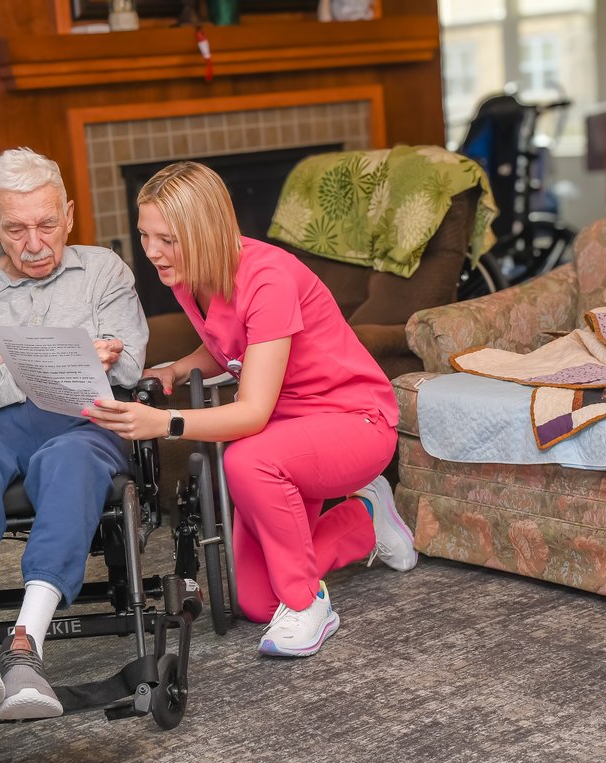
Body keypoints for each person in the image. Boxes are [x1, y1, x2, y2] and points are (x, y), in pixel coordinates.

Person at [87, 161, 417, 658]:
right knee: (257, 600)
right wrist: (176, 369)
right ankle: (367, 517)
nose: (151, 252)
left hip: (353, 421)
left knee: (246, 458)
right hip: (289, 436)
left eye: (167, 239)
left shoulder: (268, 279)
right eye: (145, 235)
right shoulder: (188, 274)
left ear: (203, 232)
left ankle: (311, 606)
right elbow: (230, 346)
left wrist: (165, 422)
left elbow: (253, 414)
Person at [0, 147, 147, 722]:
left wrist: (5, 353)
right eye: (16, 228)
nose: (35, 242)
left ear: (69, 214)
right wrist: (63, 353)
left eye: (47, 224)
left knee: (73, 463)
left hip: (82, 426)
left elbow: (124, 370)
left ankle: (26, 648)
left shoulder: (104, 273)